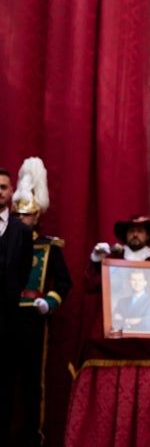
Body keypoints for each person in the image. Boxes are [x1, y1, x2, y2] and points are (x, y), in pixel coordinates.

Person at [10, 157, 73, 447]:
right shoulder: (4, 242)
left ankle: (34, 437)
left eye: (28, 216)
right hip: (6, 315)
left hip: (34, 320)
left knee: (35, 383)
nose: (24, 221)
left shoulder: (49, 245)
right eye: (19, 216)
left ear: (37, 216)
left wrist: (49, 301)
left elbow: (63, 282)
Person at [84, 215, 150, 338]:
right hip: (113, 328)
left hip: (149, 328)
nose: (135, 234)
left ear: (148, 236)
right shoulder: (112, 260)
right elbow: (91, 285)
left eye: (140, 231)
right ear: (126, 235)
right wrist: (96, 261)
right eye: (132, 231)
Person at [0, 166, 34, 446]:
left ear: (11, 192)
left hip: (8, 322)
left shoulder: (21, 232)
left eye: (3, 187)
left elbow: (23, 271)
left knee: (5, 385)